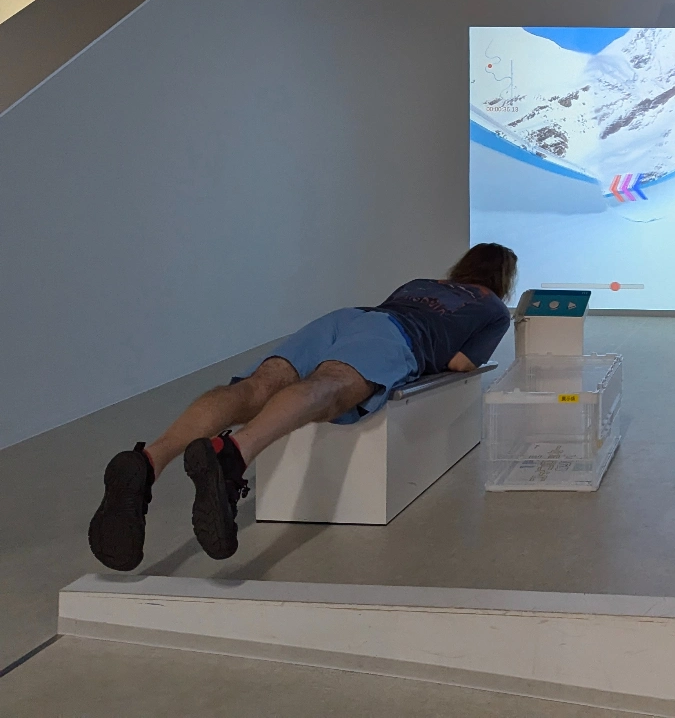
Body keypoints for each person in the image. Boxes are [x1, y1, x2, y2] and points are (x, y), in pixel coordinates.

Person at [89, 243, 518, 570]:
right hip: (397, 336)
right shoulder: (494, 308)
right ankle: (232, 456)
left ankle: (148, 460)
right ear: (504, 277)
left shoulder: (420, 284)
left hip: (347, 317)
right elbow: (460, 364)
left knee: (256, 386)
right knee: (329, 386)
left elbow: (388, 312)